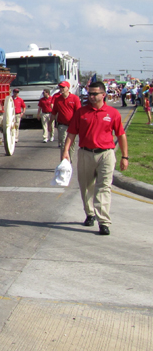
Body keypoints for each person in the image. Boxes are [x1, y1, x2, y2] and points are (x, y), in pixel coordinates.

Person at [61, 81, 128, 236]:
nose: (91, 96)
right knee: (85, 186)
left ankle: (103, 222)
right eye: (89, 94)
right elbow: (71, 133)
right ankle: (90, 213)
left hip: (106, 154)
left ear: (103, 95)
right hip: (85, 153)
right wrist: (65, 151)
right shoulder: (81, 113)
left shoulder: (112, 113)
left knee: (103, 187)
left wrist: (125, 156)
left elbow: (121, 135)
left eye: (94, 94)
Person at [51, 81, 81, 162]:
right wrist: (50, 124)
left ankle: (69, 161)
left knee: (71, 144)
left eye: (63, 87)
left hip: (72, 125)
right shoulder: (58, 99)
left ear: (68, 88)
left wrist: (79, 125)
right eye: (60, 87)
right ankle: (64, 162)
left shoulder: (75, 98)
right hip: (62, 125)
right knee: (64, 143)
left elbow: (78, 113)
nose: (61, 89)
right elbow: (54, 112)